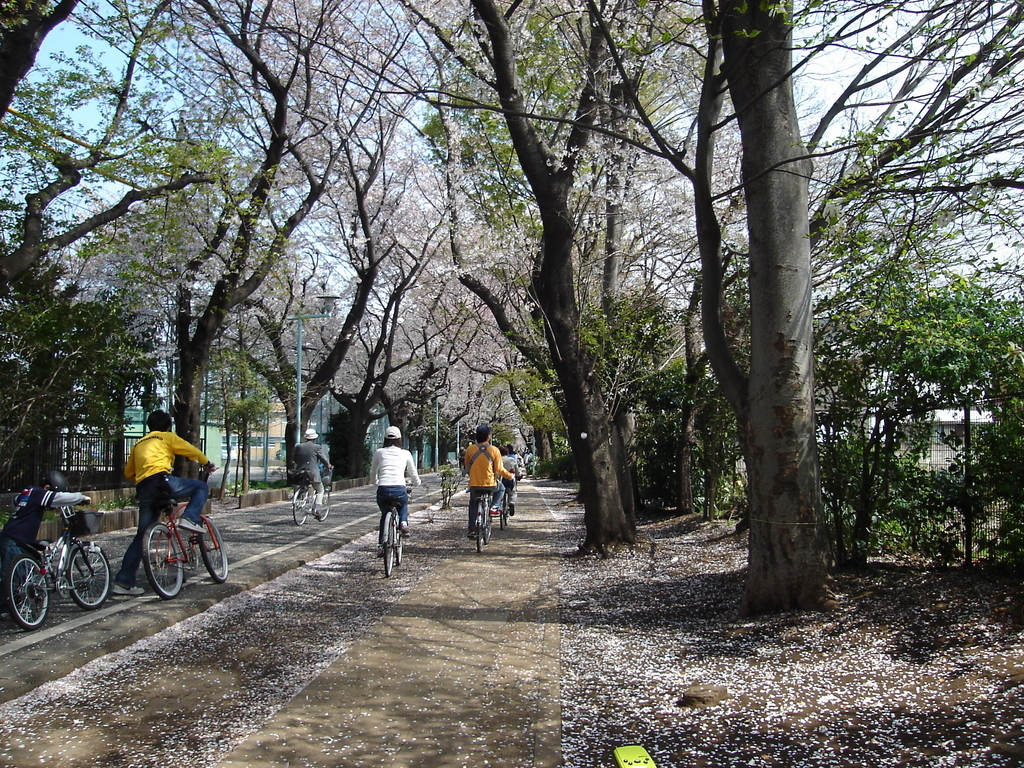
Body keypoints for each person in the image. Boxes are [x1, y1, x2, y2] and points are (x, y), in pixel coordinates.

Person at [113, 410, 216, 596]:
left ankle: (123, 582)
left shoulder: (138, 443)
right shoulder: (166, 437)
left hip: (144, 488)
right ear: (168, 426)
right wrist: (206, 462)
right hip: (162, 481)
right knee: (200, 487)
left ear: (149, 425)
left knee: (141, 536)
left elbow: (128, 472)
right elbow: (189, 450)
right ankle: (190, 518)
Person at [0, 470, 91, 575]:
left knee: (18, 574)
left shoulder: (29, 492)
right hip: (16, 540)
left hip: (9, 536)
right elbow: (60, 498)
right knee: (11, 580)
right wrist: (81, 497)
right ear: (47, 488)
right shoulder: (39, 494)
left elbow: (15, 501)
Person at [369, 426, 421, 554]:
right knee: (403, 503)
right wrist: (417, 483)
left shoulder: (379, 452)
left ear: (385, 439)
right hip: (399, 489)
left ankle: (382, 545)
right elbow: (413, 473)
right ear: (399, 439)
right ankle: (403, 523)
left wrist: (375, 482)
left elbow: (372, 472)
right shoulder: (405, 453)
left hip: (383, 490)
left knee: (384, 514)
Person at [463, 424, 514, 538]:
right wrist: (510, 476)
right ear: (488, 436)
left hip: (474, 484)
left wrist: (474, 475)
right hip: (490, 484)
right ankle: (494, 507)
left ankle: (471, 528)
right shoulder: (494, 450)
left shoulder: (470, 449)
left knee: (473, 504)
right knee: (501, 488)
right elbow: (499, 469)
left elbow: (467, 467)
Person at [293, 428, 333, 508]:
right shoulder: (317, 447)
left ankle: (300, 499)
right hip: (312, 473)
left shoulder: (299, 447)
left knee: (303, 485)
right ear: (314, 438)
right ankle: (317, 509)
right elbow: (323, 459)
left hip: (300, 472)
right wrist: (328, 465)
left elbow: (295, 459)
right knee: (320, 490)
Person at [499, 445, 518, 517]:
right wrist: (519, 475)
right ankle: (512, 502)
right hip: (509, 480)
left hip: (499, 480)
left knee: (497, 492)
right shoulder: (511, 460)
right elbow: (517, 471)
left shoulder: (496, 460)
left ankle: (497, 505)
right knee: (513, 492)